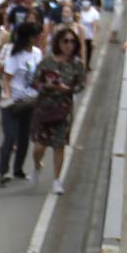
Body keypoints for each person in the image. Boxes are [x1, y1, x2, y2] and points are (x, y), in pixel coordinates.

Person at [31, 26, 85, 195]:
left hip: (63, 109)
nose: (69, 45)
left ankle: (56, 180)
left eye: (72, 42)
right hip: (44, 108)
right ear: (58, 43)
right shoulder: (47, 62)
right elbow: (35, 81)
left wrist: (67, 89)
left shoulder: (77, 65)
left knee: (59, 146)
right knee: (39, 146)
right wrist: (47, 85)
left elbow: (81, 85)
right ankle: (37, 166)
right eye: (65, 41)